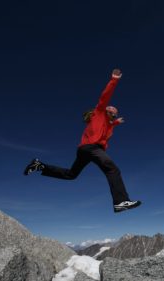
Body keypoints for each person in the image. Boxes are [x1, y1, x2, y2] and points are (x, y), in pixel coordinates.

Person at [24, 69, 141, 213]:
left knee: (71, 174)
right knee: (113, 170)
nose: (113, 115)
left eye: (115, 114)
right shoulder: (99, 112)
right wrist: (114, 79)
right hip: (92, 148)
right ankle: (121, 201)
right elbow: (105, 96)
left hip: (84, 150)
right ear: (107, 111)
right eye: (112, 113)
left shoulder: (107, 123)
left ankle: (39, 166)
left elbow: (108, 126)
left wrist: (116, 122)